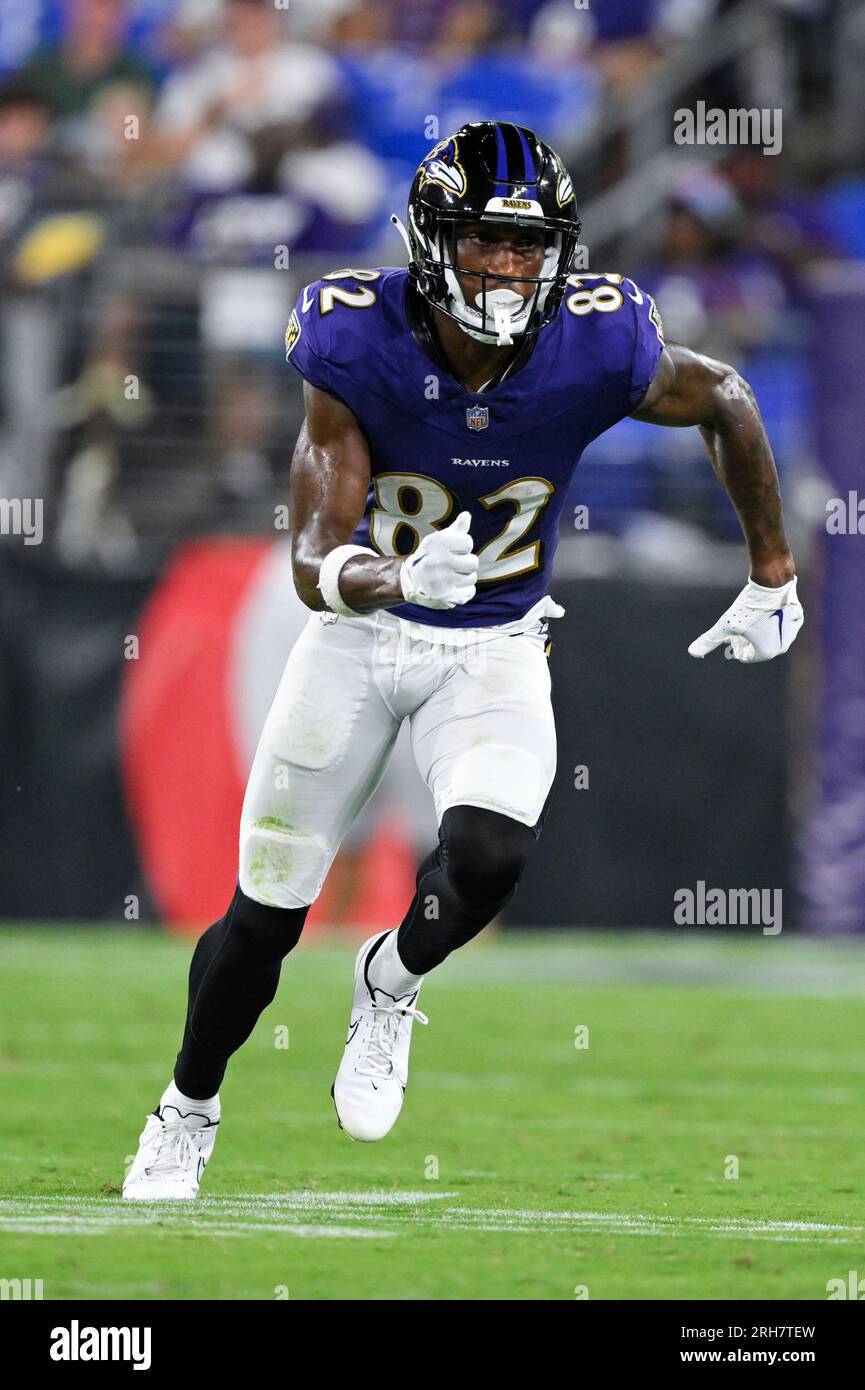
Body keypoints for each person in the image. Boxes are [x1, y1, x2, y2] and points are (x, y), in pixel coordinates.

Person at [123, 120, 803, 1198]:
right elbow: (310, 559)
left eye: (529, 246)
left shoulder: (599, 340)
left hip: (493, 644)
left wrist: (772, 571)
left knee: (487, 856)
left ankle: (388, 980)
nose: (508, 266)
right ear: (434, 239)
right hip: (355, 640)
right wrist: (393, 579)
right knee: (263, 918)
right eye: (487, 240)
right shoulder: (356, 339)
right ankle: (186, 1107)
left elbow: (722, 394)